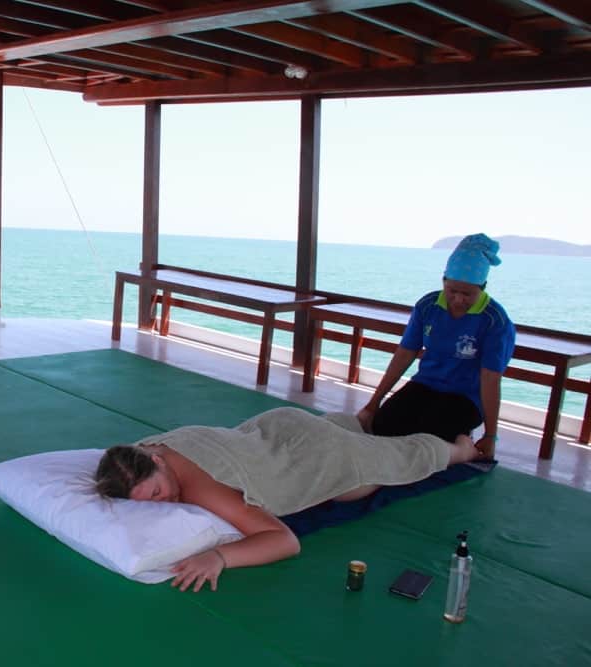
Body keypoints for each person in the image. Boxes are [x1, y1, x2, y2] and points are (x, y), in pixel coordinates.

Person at [94, 407, 482, 593]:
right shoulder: (140, 452)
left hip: (323, 455)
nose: (164, 504)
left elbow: (283, 540)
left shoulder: (201, 487)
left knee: (401, 462)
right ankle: (355, 423)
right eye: (149, 504)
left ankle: (463, 449)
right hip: (276, 426)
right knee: (355, 434)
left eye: (160, 493)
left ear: (157, 460)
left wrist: (220, 557)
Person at [357, 233, 515, 457]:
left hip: (466, 396)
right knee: (384, 426)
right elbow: (405, 353)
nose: (459, 299)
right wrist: (373, 404)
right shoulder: (428, 306)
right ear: (444, 281)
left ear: (483, 287)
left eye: (468, 294)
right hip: (426, 385)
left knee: (429, 438)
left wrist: (490, 436)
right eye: (452, 291)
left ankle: (465, 443)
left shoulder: (495, 321)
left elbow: (490, 378)